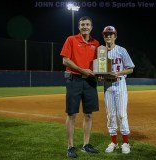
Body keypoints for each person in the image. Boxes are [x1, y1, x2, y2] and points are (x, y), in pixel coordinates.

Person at [60, 16, 100, 158]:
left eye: (87, 24)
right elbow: (65, 60)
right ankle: (70, 146)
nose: (85, 27)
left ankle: (86, 145)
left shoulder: (96, 43)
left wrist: (101, 73)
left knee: (88, 114)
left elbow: (98, 64)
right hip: (74, 80)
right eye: (82, 24)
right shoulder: (71, 39)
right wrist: (82, 70)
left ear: (91, 27)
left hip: (90, 82)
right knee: (72, 115)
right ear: (79, 27)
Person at [101, 26, 135, 154]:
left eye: (111, 34)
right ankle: (114, 142)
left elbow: (130, 68)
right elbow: (100, 69)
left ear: (115, 36)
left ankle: (125, 143)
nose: (108, 36)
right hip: (107, 85)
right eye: (106, 34)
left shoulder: (121, 50)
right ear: (103, 36)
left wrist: (118, 73)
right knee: (110, 115)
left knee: (121, 114)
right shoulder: (101, 52)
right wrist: (99, 75)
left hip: (120, 84)